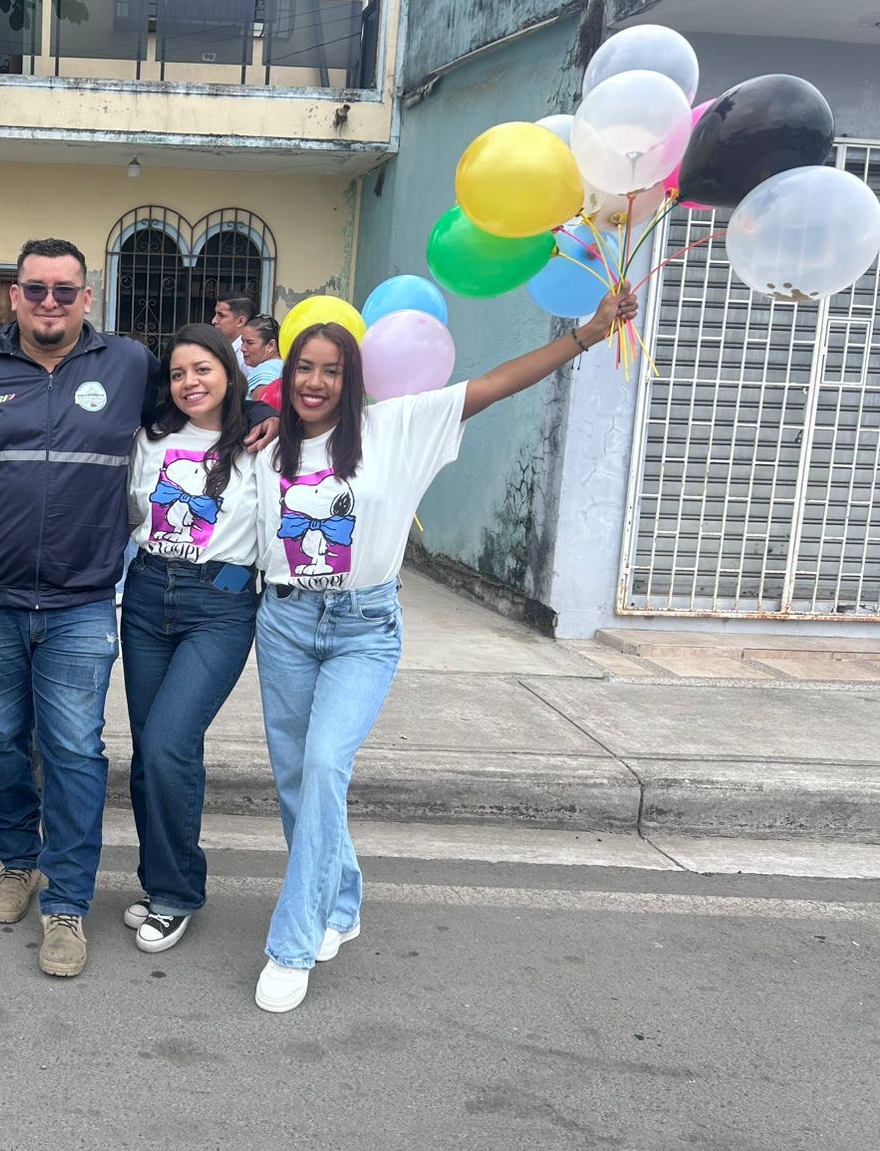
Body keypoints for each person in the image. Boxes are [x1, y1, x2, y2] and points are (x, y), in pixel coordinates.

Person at [251, 286, 637, 1015]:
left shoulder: (398, 426)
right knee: (300, 780)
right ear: (287, 370)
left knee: (326, 764)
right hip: (285, 624)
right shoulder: (268, 447)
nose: (315, 381)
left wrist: (586, 334)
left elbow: (496, 383)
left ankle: (292, 943)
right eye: (304, 366)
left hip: (363, 628)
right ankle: (342, 901)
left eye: (332, 369)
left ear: (353, 378)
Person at [0, 237, 276, 978]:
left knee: (74, 752)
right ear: (13, 295)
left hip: (82, 601)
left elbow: (201, 391)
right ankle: (19, 863)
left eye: (65, 290)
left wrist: (263, 410)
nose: (50, 302)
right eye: (35, 289)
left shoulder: (127, 364)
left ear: (87, 298)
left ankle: (67, 903)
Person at [120, 323, 258, 954]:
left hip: (219, 606)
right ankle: (159, 885)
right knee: (148, 751)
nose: (189, 382)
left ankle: (177, 894)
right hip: (148, 594)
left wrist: (270, 415)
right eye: (177, 373)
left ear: (229, 371)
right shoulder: (149, 440)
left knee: (170, 743)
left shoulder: (260, 443)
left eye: (202, 369)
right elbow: (129, 513)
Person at [239, 314, 283, 400]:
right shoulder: (282, 366)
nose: (242, 348)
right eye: (243, 342)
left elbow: (264, 406)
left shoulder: (265, 371)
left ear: (271, 345)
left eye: (250, 343)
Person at [211, 291, 255, 357]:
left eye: (221, 316)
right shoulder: (224, 348)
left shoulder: (246, 356)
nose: (214, 321)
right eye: (216, 314)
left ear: (240, 321)